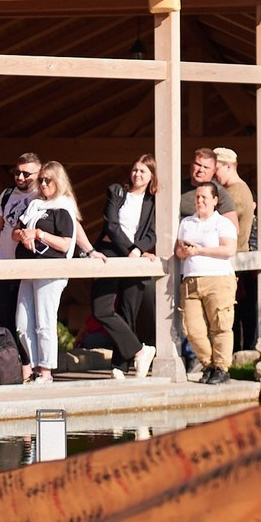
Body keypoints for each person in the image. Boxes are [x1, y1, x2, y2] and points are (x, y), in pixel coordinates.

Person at [89, 153, 159, 379]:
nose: (137, 174)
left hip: (135, 257)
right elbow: (111, 225)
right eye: (135, 169)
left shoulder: (154, 201)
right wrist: (130, 249)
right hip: (112, 253)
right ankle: (140, 350)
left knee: (128, 310)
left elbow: (152, 233)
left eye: (143, 171)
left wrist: (138, 249)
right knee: (101, 308)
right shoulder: (117, 192)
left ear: (151, 176)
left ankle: (120, 364)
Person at [15, 159, 80, 385]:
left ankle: (45, 370)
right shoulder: (35, 205)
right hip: (28, 267)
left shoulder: (62, 208)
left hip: (50, 269)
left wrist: (39, 234)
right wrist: (23, 235)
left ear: (58, 181)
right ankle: (32, 367)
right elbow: (17, 230)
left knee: (44, 321)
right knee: (22, 324)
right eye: (40, 180)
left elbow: (65, 244)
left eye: (47, 180)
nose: (42, 184)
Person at [175, 176, 239, 381]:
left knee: (220, 326)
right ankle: (209, 364)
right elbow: (178, 251)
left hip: (218, 279)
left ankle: (222, 368)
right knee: (192, 330)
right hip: (191, 280)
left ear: (215, 200)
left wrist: (201, 250)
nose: (200, 200)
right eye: (197, 197)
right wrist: (186, 251)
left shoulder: (223, 223)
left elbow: (229, 249)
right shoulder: (186, 222)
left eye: (204, 197)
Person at [212, 144, 260, 350]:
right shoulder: (235, 191)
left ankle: (241, 355)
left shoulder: (235, 193)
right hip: (237, 263)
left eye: (216, 169)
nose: (214, 175)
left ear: (229, 167)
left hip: (237, 262)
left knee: (239, 316)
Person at [0, 150, 42, 260]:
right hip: (2, 260)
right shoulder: (7, 193)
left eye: (26, 174)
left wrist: (87, 249)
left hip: (28, 263)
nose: (20, 177)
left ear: (39, 174)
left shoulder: (43, 195)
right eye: (17, 173)